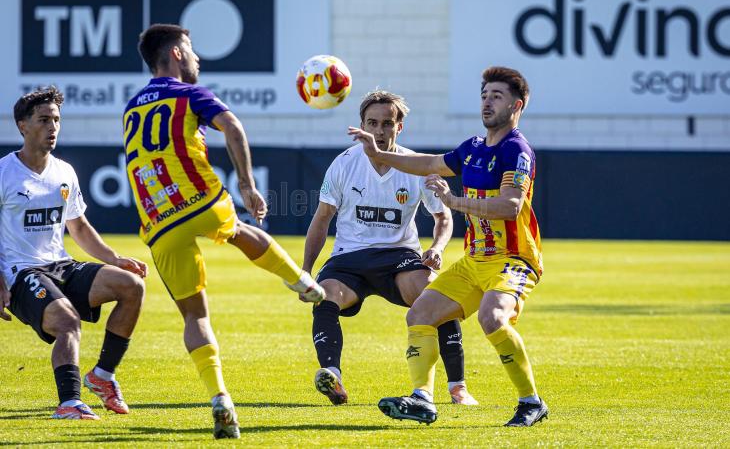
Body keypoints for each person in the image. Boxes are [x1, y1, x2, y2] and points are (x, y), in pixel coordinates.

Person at [124, 24, 325, 439]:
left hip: (157, 219)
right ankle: (301, 281)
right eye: (191, 50)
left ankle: (219, 398)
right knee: (239, 231)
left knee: (195, 316)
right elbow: (233, 127)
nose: (197, 58)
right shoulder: (189, 93)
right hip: (196, 195)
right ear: (176, 53)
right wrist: (247, 185)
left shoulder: (130, 107)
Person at [349, 66, 548, 427]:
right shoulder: (472, 148)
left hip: (513, 259)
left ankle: (531, 402)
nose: (487, 102)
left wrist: (454, 202)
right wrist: (379, 154)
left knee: (492, 317)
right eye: (484, 95)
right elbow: (428, 163)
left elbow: (510, 206)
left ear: (516, 105)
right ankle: (422, 399)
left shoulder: (516, 150)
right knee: (419, 315)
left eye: (497, 96)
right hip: (474, 261)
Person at [304, 90, 477, 406]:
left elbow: (443, 217)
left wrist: (437, 247)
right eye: (372, 123)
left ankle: (458, 387)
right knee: (324, 296)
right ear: (361, 126)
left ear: (400, 127)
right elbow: (322, 219)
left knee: (435, 295)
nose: (379, 131)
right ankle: (332, 375)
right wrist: (305, 272)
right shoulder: (343, 164)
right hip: (349, 259)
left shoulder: (417, 166)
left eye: (387, 123)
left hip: (398, 257)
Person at [0, 87, 147, 420]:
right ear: (22, 125)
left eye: (56, 119)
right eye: (43, 120)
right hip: (22, 274)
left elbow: (79, 227)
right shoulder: (4, 173)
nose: (52, 127)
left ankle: (103, 376)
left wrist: (114, 259)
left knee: (132, 286)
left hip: (61, 265)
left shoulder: (64, 171)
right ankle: (69, 403)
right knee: (68, 321)